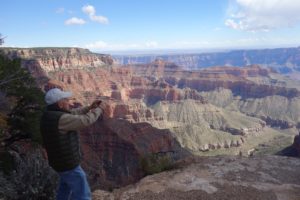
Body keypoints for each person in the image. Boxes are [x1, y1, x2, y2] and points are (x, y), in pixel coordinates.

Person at [40, 88, 103, 200]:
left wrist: (89, 107)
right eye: (66, 100)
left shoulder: (50, 115)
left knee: (65, 188)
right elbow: (85, 121)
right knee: (83, 193)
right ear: (60, 104)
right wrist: (99, 110)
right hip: (67, 164)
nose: (69, 102)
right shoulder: (60, 119)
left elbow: (73, 113)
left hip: (59, 162)